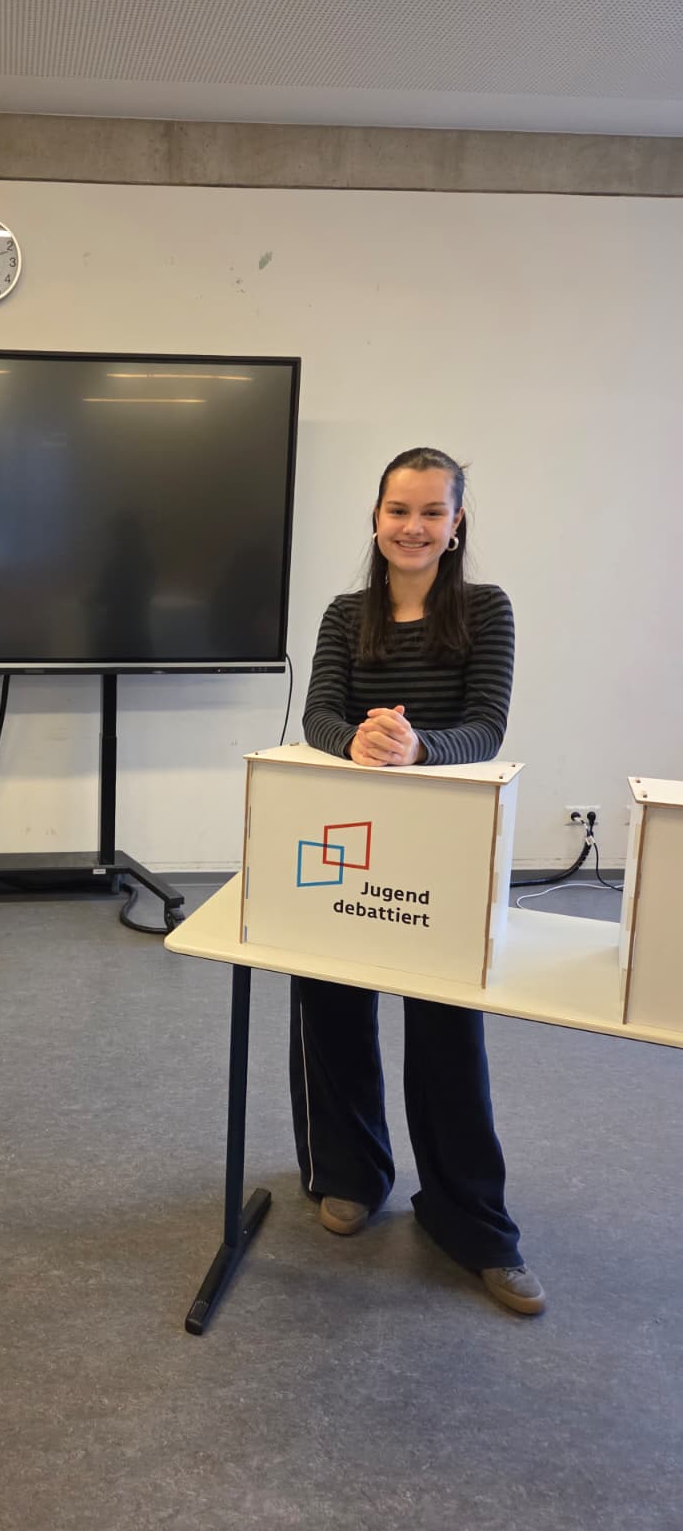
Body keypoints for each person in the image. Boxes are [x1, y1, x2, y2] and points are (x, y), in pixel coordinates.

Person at [292, 446, 545, 1316]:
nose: (414, 527)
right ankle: (351, 1174)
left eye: (433, 511)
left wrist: (417, 745)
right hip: (344, 837)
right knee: (331, 1005)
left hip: (443, 843)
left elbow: (486, 726)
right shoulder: (343, 614)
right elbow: (318, 714)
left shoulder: (486, 608)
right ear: (376, 518)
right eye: (399, 510)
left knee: (446, 1031)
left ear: (456, 523)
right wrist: (358, 740)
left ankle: (471, 1220)